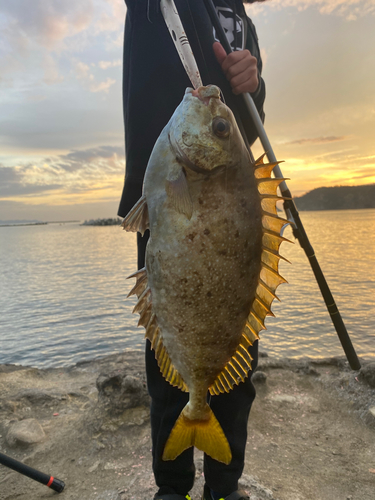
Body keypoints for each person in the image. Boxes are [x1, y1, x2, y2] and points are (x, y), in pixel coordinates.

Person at [118, 1, 266, 499]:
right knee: (166, 372)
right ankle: (172, 486)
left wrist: (255, 81)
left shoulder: (241, 19)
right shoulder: (148, 8)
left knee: (238, 362)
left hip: (232, 217)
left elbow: (250, 113)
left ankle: (225, 486)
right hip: (169, 210)